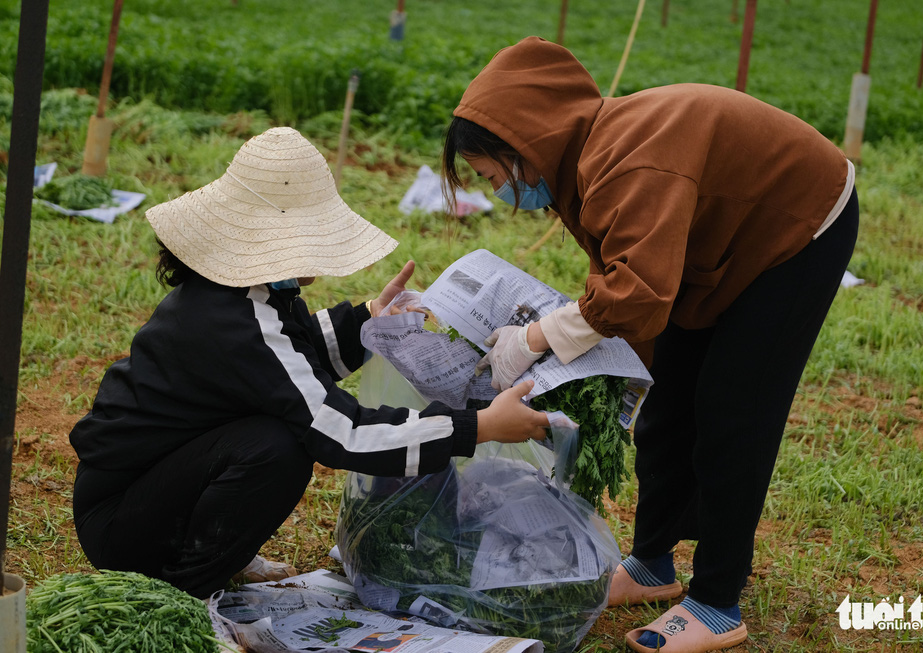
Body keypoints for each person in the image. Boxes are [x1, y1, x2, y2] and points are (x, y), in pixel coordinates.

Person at [442, 37, 858, 653]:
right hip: (714, 239)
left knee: (732, 412)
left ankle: (718, 601)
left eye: (492, 175)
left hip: (797, 226)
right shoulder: (582, 164)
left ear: (527, 144)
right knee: (667, 411)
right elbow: (633, 283)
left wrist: (534, 336)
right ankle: (653, 564)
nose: (500, 192)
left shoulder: (628, 159)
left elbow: (637, 292)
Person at [69, 126, 550, 599]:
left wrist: (367, 322)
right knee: (278, 449)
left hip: (148, 492)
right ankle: (184, 590)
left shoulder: (238, 294)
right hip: (123, 524)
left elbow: (288, 358)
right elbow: (343, 432)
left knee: (275, 431)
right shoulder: (235, 322)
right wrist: (478, 426)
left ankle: (210, 557)